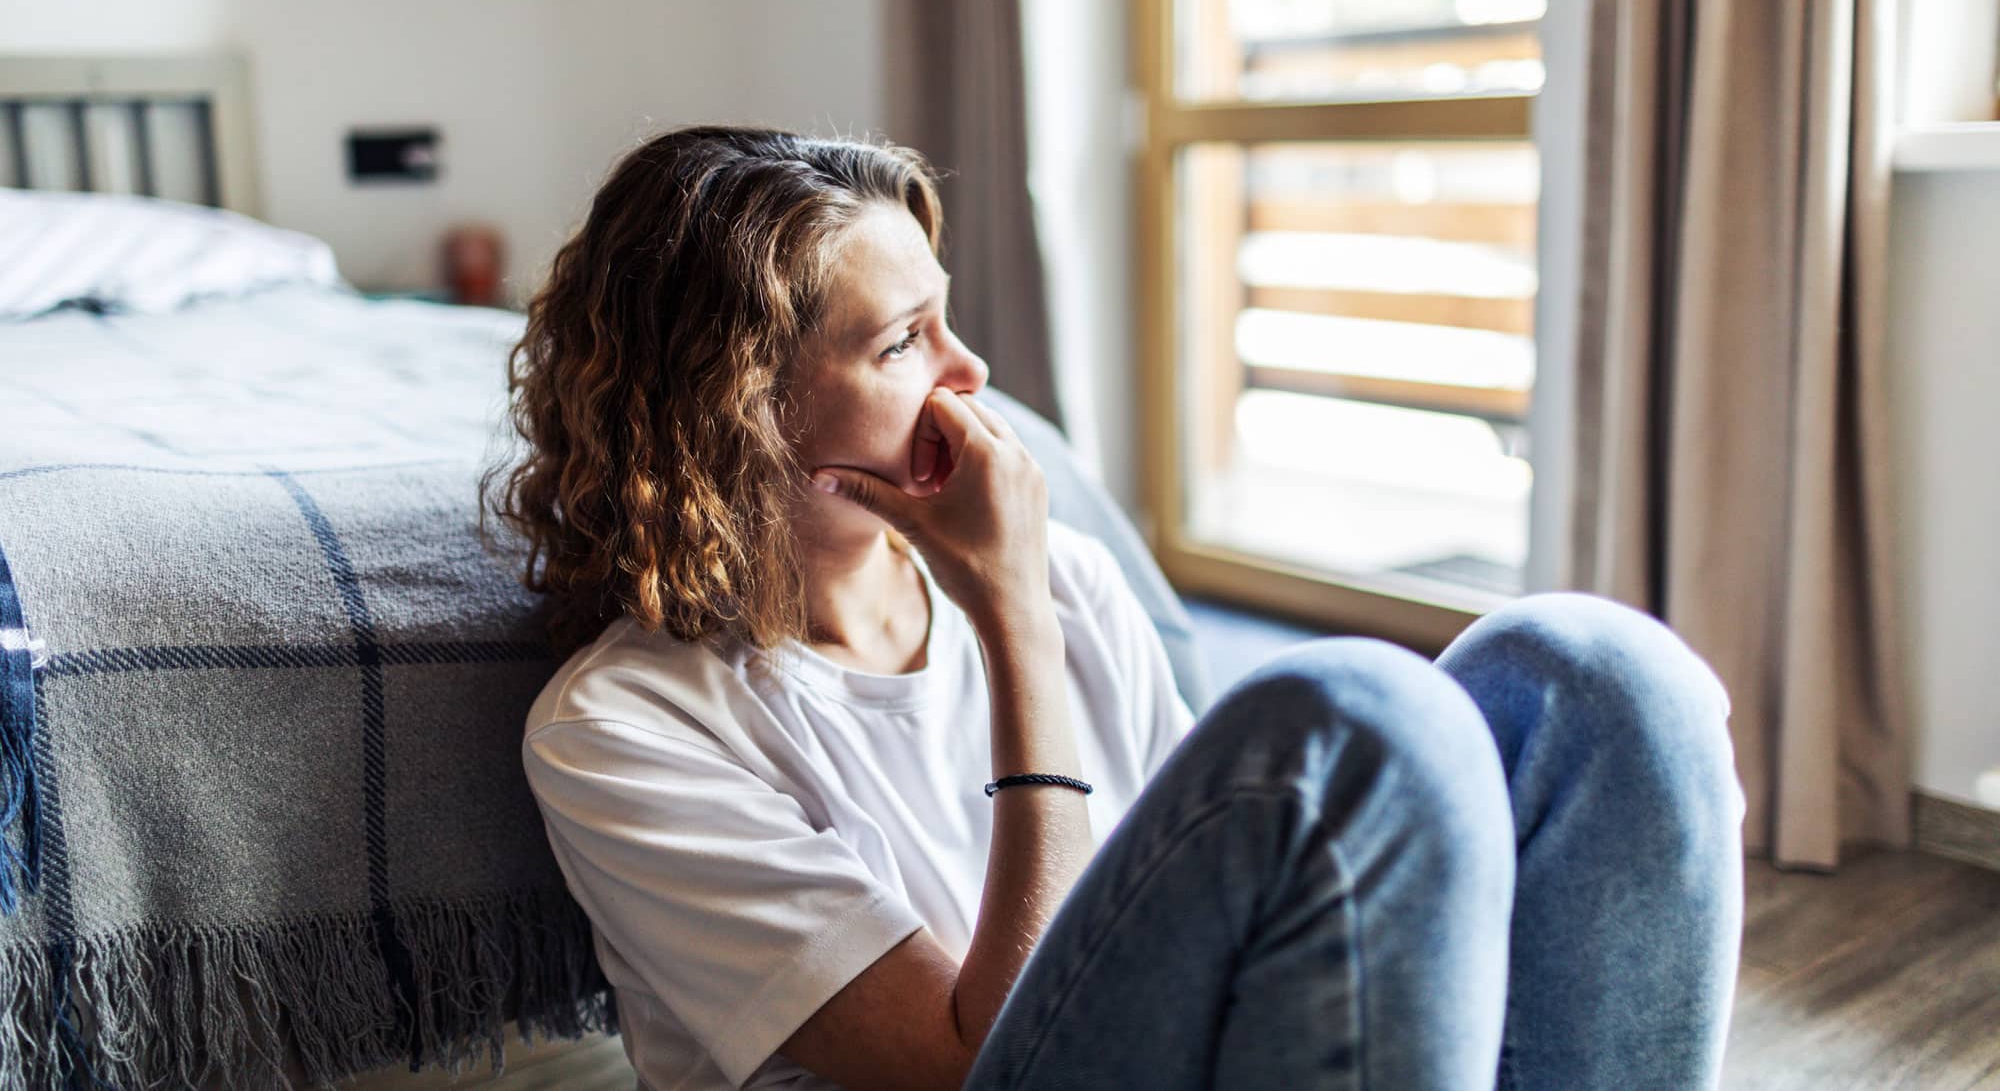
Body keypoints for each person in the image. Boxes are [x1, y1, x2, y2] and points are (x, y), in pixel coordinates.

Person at [479, 125, 1749, 1091]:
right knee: (1354, 715)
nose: (971, 375)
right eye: (901, 341)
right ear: (736, 407)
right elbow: (962, 1060)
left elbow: (1205, 906)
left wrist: (1030, 594)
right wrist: (1013, 621)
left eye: (948, 316)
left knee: (1593, 669)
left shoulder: (1070, 574)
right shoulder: (623, 726)